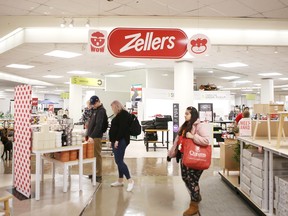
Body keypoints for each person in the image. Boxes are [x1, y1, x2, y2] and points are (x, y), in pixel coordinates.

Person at [168, 106, 210, 216]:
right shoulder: (185, 126)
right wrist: (171, 154)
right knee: (185, 178)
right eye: (185, 113)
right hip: (185, 157)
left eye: (187, 113)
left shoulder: (199, 126)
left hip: (195, 157)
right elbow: (178, 142)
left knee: (192, 180)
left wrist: (193, 136)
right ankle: (196, 195)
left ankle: (194, 205)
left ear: (193, 115)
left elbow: (206, 140)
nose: (184, 115)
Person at [109, 100, 134, 192]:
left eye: (113, 108)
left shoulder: (123, 114)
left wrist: (117, 140)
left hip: (120, 140)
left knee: (119, 161)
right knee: (119, 160)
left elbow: (122, 129)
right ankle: (120, 180)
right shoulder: (119, 115)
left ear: (116, 107)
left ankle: (130, 180)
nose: (112, 110)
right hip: (117, 140)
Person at [87, 95, 107, 183]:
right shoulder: (95, 110)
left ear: (98, 101)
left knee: (97, 155)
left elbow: (99, 125)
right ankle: (95, 172)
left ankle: (98, 175)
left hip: (96, 137)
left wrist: (92, 136)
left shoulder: (101, 111)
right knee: (93, 155)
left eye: (94, 103)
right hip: (92, 136)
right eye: (92, 104)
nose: (93, 105)